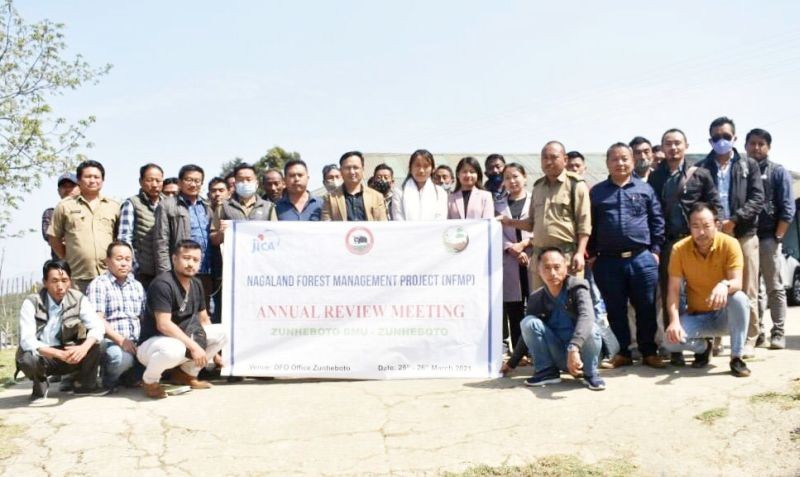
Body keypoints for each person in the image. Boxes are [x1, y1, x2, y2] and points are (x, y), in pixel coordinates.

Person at [588, 143, 665, 369]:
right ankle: (622, 352)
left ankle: (649, 351)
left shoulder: (645, 189)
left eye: (624, 159)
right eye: (615, 159)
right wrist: (592, 255)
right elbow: (589, 225)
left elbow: (657, 221)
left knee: (646, 307)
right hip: (607, 261)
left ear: (632, 162)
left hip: (641, 258)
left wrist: (655, 252)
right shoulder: (598, 192)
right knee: (615, 308)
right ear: (607, 163)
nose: (620, 163)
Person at [648, 128, 721, 365]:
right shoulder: (656, 177)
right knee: (672, 294)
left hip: (695, 243)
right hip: (668, 244)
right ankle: (676, 347)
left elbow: (714, 206)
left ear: (686, 145)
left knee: (697, 293)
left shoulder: (701, 174)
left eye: (677, 143)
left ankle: (702, 349)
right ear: (662, 148)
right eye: (668, 144)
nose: (673, 148)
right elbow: (653, 213)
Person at [696, 116, 764, 357]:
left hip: (743, 234)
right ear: (710, 140)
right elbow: (699, 200)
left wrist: (734, 220)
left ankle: (749, 338)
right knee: (715, 287)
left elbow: (757, 198)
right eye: (716, 137)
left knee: (747, 288)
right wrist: (714, 225)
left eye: (726, 136)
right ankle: (715, 339)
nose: (721, 141)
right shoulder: (704, 167)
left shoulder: (748, 165)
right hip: (713, 238)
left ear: (734, 138)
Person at [663, 203, 751, 377]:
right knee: (669, 342)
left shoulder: (730, 244)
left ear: (717, 225)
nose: (701, 232)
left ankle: (736, 357)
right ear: (689, 227)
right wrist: (674, 321)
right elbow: (673, 290)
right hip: (698, 315)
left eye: (706, 226)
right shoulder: (679, 249)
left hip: (725, 315)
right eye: (695, 226)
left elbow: (737, 282)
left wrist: (724, 285)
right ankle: (703, 347)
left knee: (739, 298)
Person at [501, 248, 605, 391]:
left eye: (557, 267)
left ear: (565, 267)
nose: (552, 273)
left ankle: (590, 373)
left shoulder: (578, 287)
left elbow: (587, 316)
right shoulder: (537, 298)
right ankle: (546, 372)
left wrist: (574, 347)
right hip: (559, 354)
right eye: (547, 268)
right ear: (539, 271)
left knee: (591, 328)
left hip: (580, 354)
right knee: (528, 322)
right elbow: (526, 335)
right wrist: (511, 363)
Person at [136, 240, 228, 399]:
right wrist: (194, 347)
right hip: (154, 344)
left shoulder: (197, 283)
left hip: (182, 340)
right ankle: (149, 381)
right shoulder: (163, 284)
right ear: (174, 259)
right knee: (174, 349)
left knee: (223, 332)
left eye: (195, 260)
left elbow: (204, 319)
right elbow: (163, 324)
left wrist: (215, 354)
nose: (191, 263)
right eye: (186, 258)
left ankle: (186, 374)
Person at [500, 141, 591, 290]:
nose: (548, 162)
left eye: (553, 157)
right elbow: (531, 224)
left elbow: (584, 224)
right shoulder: (537, 187)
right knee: (541, 308)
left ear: (565, 159)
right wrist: (508, 222)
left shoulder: (576, 185)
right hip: (540, 261)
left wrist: (580, 253)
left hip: (566, 259)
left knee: (569, 307)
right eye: (544, 158)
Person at [16, 260, 105, 402]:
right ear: (45, 282)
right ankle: (40, 383)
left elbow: (97, 326)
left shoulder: (78, 298)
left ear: (70, 281)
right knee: (27, 358)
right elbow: (27, 340)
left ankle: (85, 385)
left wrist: (83, 348)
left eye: (64, 280)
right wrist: (57, 353)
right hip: (44, 355)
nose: (60, 286)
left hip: (68, 352)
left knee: (96, 344)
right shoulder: (31, 302)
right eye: (54, 281)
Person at [746, 128, 795, 349]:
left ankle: (779, 331)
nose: (756, 148)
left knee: (775, 287)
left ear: (768, 147)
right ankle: (759, 332)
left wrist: (778, 236)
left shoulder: (777, 172)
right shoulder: (742, 170)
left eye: (761, 144)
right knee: (752, 289)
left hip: (768, 238)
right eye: (752, 143)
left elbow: (787, 208)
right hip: (747, 238)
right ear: (745, 146)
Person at [47, 160, 120, 293]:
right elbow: (54, 237)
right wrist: (68, 257)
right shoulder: (65, 206)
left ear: (102, 181)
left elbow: (118, 238)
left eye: (96, 177)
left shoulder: (114, 206)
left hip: (108, 277)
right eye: (87, 177)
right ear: (79, 181)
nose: (92, 180)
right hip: (77, 279)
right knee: (77, 313)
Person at [85, 241, 145, 391]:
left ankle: (129, 377)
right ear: (107, 261)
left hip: (136, 340)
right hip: (111, 340)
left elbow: (143, 317)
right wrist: (121, 340)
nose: (124, 263)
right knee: (120, 359)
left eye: (128, 259)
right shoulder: (99, 284)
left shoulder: (137, 285)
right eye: (119, 259)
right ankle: (109, 380)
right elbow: (97, 320)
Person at [154, 164, 214, 310]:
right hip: (181, 270)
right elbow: (161, 242)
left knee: (204, 312)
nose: (193, 184)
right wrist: (166, 275)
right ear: (180, 182)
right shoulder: (167, 205)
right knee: (182, 312)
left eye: (197, 181)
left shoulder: (207, 206)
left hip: (205, 270)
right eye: (189, 180)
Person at [495, 163, 533, 354]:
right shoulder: (498, 205)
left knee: (534, 305)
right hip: (509, 260)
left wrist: (524, 245)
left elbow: (541, 226)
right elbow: (495, 231)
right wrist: (512, 249)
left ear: (525, 177)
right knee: (514, 307)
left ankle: (535, 349)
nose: (512, 181)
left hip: (533, 257)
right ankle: (519, 352)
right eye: (508, 177)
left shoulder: (535, 201)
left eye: (516, 176)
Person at [117, 163, 164, 289]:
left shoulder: (168, 204)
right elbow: (124, 238)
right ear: (141, 182)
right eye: (149, 180)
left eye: (158, 180)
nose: (154, 184)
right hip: (141, 272)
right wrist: (132, 266)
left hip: (164, 270)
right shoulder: (131, 203)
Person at [212, 162, 277, 246]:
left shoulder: (268, 207)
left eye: (249, 179)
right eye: (240, 180)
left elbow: (274, 235)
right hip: (233, 257)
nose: (245, 183)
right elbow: (213, 239)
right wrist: (220, 234)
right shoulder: (223, 206)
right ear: (235, 184)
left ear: (256, 183)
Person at [322, 151, 388, 221]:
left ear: (362, 169)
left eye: (355, 167)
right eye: (347, 168)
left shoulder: (377, 197)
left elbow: (382, 226)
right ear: (341, 171)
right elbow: (326, 227)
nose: (352, 172)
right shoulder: (329, 198)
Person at [391, 149, 448, 221]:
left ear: (433, 169)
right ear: (410, 168)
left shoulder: (440, 192)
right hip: (406, 231)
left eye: (426, 166)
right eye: (417, 165)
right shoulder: (399, 191)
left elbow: (440, 218)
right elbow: (398, 217)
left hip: (433, 231)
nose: (421, 170)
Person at [42, 172, 79, 260]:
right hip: (61, 266)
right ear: (59, 191)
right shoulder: (51, 213)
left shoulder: (88, 212)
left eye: (71, 186)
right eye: (64, 186)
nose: (67, 189)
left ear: (80, 188)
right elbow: (50, 236)